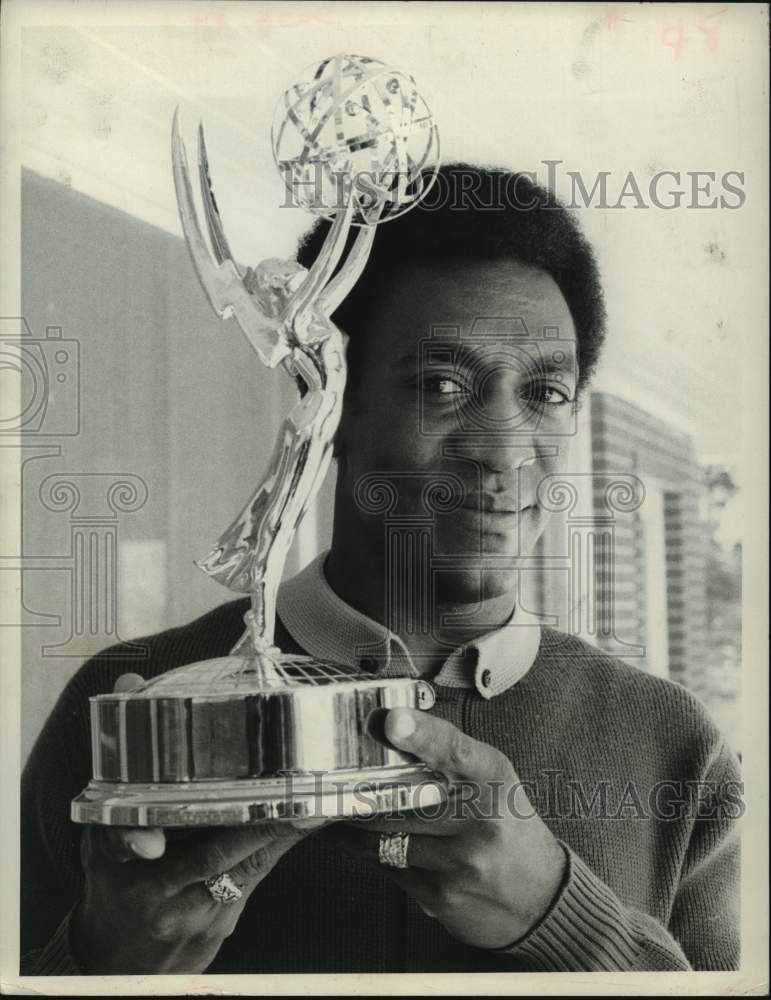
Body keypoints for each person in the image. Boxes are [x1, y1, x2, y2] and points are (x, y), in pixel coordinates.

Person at [20, 165, 741, 975]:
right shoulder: (130, 700)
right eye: (441, 384)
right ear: (327, 400)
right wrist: (98, 963)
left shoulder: (675, 748)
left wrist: (557, 913)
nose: (503, 448)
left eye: (544, 391)